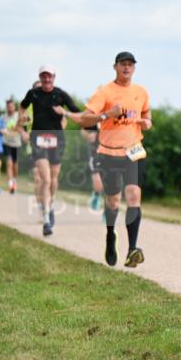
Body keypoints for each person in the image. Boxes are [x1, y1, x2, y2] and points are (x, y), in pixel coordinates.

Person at [62, 52, 151, 267]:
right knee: (112, 201)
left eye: (130, 65)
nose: (126, 68)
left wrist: (147, 123)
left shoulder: (141, 92)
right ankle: (110, 236)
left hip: (134, 150)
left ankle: (132, 249)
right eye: (123, 64)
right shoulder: (105, 92)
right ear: (115, 67)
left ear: (134, 68)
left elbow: (147, 116)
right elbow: (85, 118)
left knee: (133, 194)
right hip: (109, 152)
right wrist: (107, 114)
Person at [19, 65, 80, 235]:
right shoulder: (33, 94)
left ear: (54, 77)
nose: (47, 79)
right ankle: (46, 219)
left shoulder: (60, 94)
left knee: (53, 179)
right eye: (44, 76)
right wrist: (22, 117)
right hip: (38, 139)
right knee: (45, 179)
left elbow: (78, 113)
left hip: (57, 140)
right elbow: (22, 107)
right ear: (40, 76)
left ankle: (50, 203)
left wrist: (65, 114)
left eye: (49, 76)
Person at [1, 98, 26, 193]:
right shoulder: (3, 117)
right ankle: (10, 184)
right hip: (6, 143)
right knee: (9, 163)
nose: (10, 108)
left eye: (11, 106)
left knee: (15, 165)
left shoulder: (18, 116)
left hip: (17, 144)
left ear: (14, 106)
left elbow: (24, 127)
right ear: (6, 107)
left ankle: (14, 180)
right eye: (8, 106)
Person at [81, 125, 104, 210]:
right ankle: (96, 195)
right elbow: (83, 130)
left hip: (111, 152)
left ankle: (109, 212)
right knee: (98, 180)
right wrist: (89, 135)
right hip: (95, 153)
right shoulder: (95, 114)